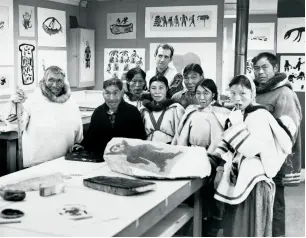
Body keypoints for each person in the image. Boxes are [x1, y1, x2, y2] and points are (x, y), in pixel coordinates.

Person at [210, 75, 295, 237]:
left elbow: (251, 149)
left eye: (243, 93)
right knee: (233, 224)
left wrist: (235, 125)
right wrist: (220, 169)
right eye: (233, 94)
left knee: (249, 225)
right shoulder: (236, 114)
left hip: (254, 181)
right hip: (236, 175)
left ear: (252, 94)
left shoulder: (260, 115)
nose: (237, 99)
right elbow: (227, 146)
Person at [252, 52, 302, 237]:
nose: (260, 72)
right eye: (256, 68)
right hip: (254, 156)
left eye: (265, 67)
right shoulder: (253, 90)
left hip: (275, 158)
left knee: (275, 202)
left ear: (275, 69)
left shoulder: (284, 93)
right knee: (259, 201)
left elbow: (289, 129)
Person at [173, 78, 230, 236]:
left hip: (208, 158)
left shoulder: (221, 114)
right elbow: (181, 136)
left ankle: (206, 230)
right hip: (190, 154)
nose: (202, 97)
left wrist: (207, 158)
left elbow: (218, 142)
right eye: (198, 93)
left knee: (207, 200)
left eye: (206, 93)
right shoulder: (191, 111)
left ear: (213, 95)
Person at [11, 66, 83, 167]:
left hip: (64, 161)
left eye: (59, 81)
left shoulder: (72, 104)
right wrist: (15, 105)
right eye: (51, 80)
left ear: (64, 82)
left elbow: (79, 136)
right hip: (36, 163)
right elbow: (16, 125)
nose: (55, 85)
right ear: (44, 80)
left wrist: (78, 146)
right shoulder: (32, 100)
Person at [71, 78, 146, 155]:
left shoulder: (133, 112)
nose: (111, 98)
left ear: (122, 93)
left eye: (115, 93)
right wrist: (82, 146)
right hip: (101, 159)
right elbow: (90, 138)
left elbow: (140, 140)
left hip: (126, 158)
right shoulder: (98, 112)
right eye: (107, 93)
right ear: (103, 94)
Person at [141, 75, 184, 144]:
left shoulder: (176, 109)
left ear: (167, 89)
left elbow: (181, 137)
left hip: (170, 150)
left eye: (161, 88)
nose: (157, 92)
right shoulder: (144, 110)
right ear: (149, 89)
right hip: (148, 149)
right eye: (153, 88)